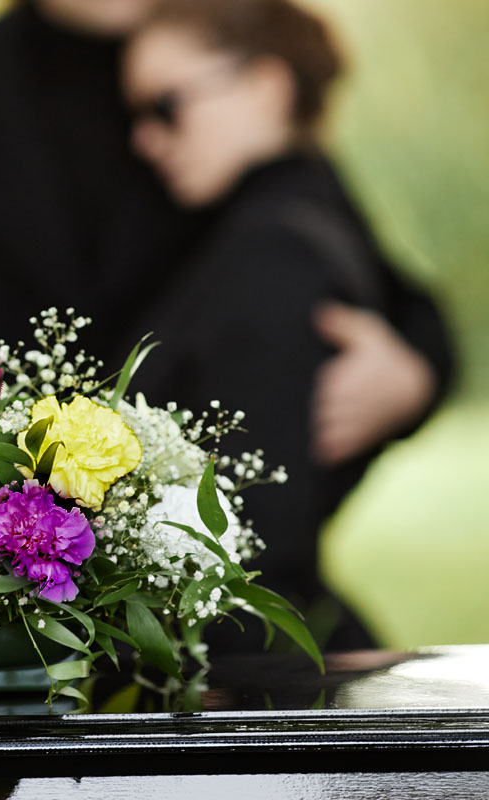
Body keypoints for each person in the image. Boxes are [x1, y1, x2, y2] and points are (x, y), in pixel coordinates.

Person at [0, 0, 452, 648]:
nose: (148, 140)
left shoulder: (215, 68)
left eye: (165, 112)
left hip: (205, 599)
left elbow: (372, 279)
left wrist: (416, 370)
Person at [118, 0, 449, 647]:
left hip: (242, 662)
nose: (145, 139)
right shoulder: (300, 217)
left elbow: (258, 542)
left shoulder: (273, 251)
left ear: (267, 88)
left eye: (166, 105)